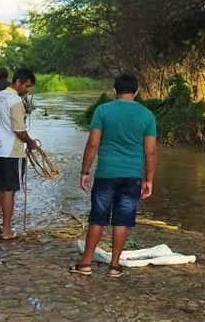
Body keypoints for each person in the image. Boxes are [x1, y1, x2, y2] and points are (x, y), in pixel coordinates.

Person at [69, 73, 157, 278]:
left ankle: (86, 263)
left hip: (106, 173)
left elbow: (93, 143)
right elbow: (151, 151)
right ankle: (115, 266)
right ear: (136, 91)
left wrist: (85, 171)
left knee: (98, 218)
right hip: (132, 175)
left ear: (114, 91)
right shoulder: (147, 115)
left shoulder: (103, 111)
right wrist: (149, 179)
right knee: (122, 220)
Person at [0, 68, 38, 240]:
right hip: (11, 152)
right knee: (9, 191)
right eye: (27, 86)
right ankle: (7, 230)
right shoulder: (15, 100)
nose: (28, 90)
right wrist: (31, 143)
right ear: (17, 82)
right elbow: (19, 130)